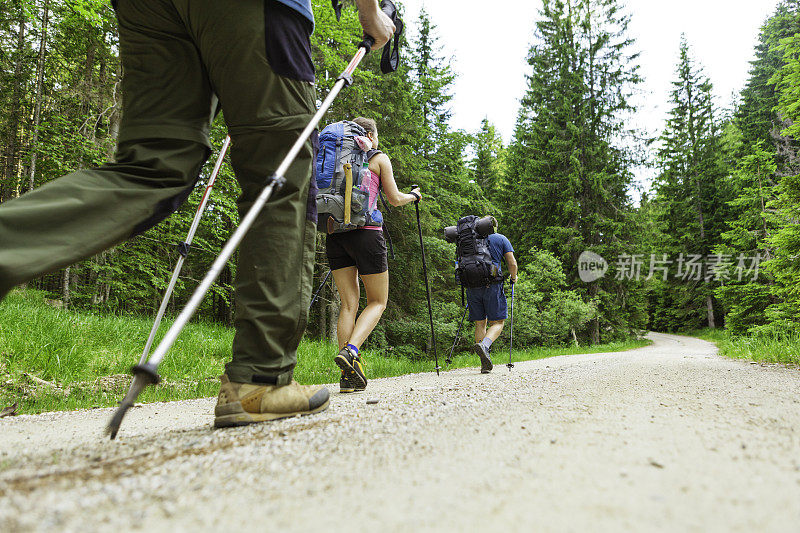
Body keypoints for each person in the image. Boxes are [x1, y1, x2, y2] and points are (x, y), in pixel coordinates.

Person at [0, 0, 395, 427]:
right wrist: (371, 10)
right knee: (279, 175)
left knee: (152, 166)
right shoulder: (373, 151)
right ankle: (258, 381)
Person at [326, 117, 420, 393]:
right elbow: (394, 198)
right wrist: (414, 196)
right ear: (369, 134)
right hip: (367, 233)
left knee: (348, 305)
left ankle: (348, 376)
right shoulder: (378, 158)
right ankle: (352, 351)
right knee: (378, 302)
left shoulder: (333, 160)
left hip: (334, 234)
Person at [467, 217, 518, 374]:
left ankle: (484, 361)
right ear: (493, 227)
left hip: (472, 285)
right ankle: (485, 345)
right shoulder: (500, 238)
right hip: (492, 285)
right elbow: (512, 263)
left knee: (480, 323)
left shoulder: (469, 240)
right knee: (498, 322)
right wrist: (513, 277)